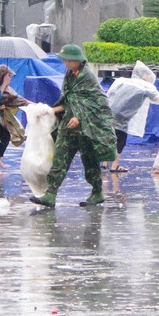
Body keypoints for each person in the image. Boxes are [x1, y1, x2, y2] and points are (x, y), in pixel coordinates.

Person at [29, 45, 118, 208]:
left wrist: (79, 117)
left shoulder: (87, 77)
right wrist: (49, 111)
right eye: (65, 60)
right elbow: (70, 100)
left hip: (85, 127)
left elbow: (94, 102)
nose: (66, 63)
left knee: (89, 160)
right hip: (68, 126)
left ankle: (97, 192)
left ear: (78, 60)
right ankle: (51, 194)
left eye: (69, 60)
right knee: (60, 158)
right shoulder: (69, 75)